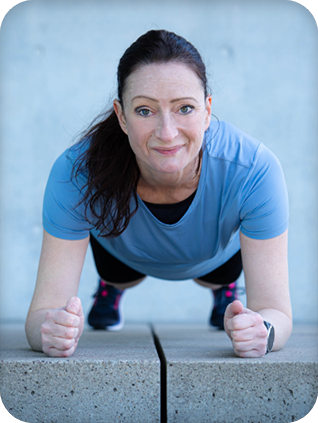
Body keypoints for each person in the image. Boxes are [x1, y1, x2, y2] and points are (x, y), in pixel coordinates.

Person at [25, 29, 292, 359]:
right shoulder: (76, 174)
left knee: (219, 276)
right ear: (121, 116)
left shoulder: (254, 169)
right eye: (144, 111)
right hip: (122, 251)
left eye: (185, 108)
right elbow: (41, 316)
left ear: (208, 111)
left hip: (213, 254)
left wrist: (261, 330)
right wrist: (50, 330)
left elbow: (277, 313)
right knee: (116, 273)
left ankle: (225, 291)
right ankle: (110, 287)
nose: (167, 134)